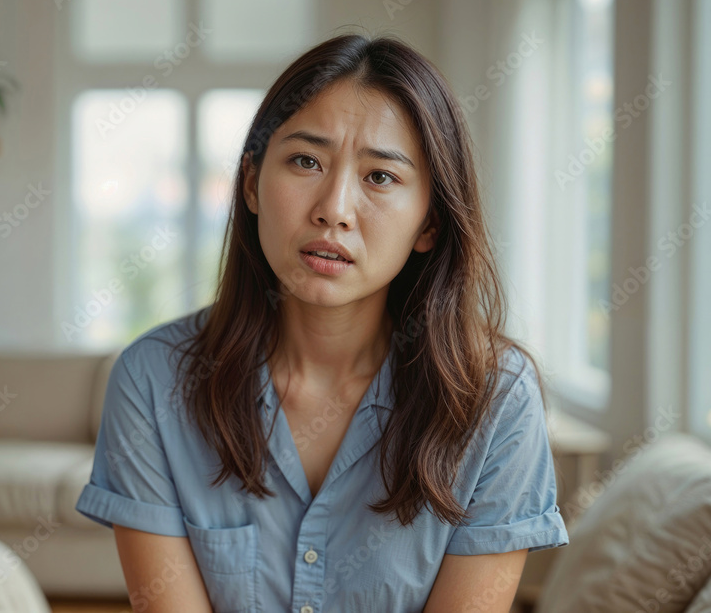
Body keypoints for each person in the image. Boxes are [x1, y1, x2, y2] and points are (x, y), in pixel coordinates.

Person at [75, 32, 569, 613]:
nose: (333, 208)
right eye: (306, 161)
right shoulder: (152, 381)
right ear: (253, 183)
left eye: (380, 177)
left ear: (430, 223)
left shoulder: (496, 399)